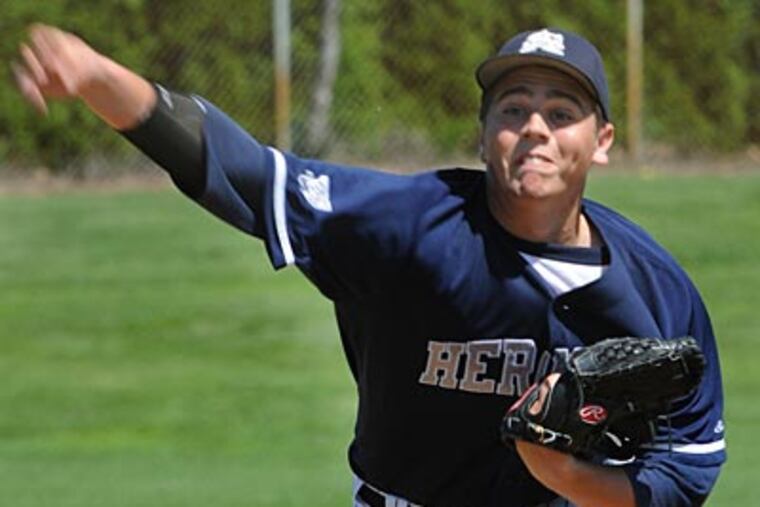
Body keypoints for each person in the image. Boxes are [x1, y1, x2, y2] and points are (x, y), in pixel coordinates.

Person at [13, 24, 726, 507]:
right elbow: (243, 171)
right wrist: (99, 76)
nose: (534, 126)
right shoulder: (409, 224)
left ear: (600, 141)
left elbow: (689, 463)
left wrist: (567, 474)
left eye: (561, 111)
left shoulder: (653, 286)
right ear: (481, 135)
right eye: (513, 108)